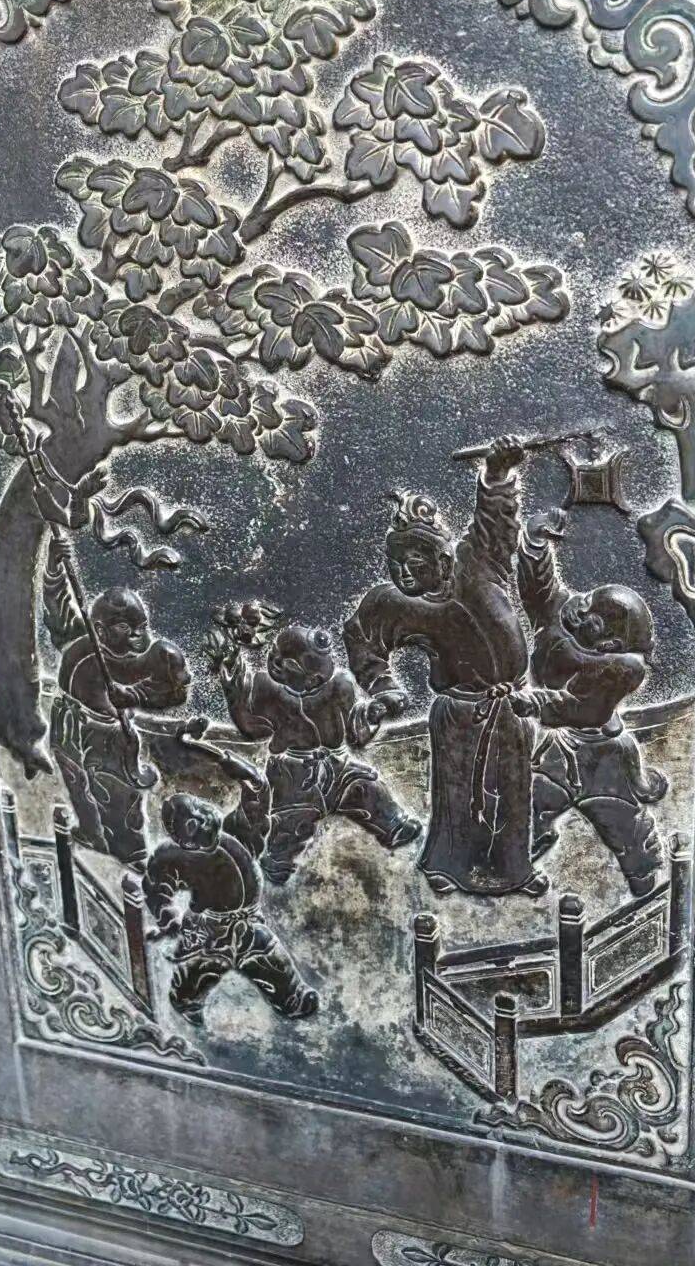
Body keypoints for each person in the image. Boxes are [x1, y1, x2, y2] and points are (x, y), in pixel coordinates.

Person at [344, 437, 543, 897]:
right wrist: (383, 686)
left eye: (414, 562)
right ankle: (448, 867)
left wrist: (497, 473)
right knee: (456, 796)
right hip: (458, 712)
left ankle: (514, 870)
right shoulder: (393, 603)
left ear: (442, 557)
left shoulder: (480, 562)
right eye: (395, 564)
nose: (403, 573)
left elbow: (495, 519)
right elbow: (362, 638)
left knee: (513, 788)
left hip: (511, 705)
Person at [517, 507, 667, 898]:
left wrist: (536, 703)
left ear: (608, 644)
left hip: (602, 752)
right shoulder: (562, 618)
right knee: (533, 800)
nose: (581, 611)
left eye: (593, 618)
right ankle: (518, 860)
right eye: (587, 601)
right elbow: (540, 590)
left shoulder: (618, 670)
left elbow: (583, 708)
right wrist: (536, 546)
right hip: (556, 746)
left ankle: (644, 874)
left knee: (619, 818)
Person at [213, 619, 421, 884]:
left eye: (318, 680)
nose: (314, 683)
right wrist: (234, 683)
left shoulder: (341, 685)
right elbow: (251, 725)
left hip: (339, 764)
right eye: (309, 678)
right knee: (292, 820)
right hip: (293, 773)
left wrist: (372, 712)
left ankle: (394, 825)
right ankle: (277, 862)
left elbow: (354, 726)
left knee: (367, 786)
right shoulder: (266, 688)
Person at [142, 732, 319, 1025]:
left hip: (249, 925)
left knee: (273, 962)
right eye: (191, 824)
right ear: (182, 839)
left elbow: (257, 786)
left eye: (200, 810)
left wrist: (210, 751)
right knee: (198, 974)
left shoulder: (238, 832)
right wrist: (166, 916)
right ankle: (184, 1002)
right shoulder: (173, 857)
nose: (202, 820)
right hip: (209, 930)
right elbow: (156, 886)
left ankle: (293, 1001)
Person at [43, 537, 189, 867]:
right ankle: (92, 833)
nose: (137, 634)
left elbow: (173, 692)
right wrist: (53, 568)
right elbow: (58, 608)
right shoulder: (82, 641)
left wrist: (133, 695)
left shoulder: (149, 659)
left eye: (141, 626)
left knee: (117, 795)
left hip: (108, 735)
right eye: (125, 626)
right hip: (68, 722)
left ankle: (132, 855)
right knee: (76, 783)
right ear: (100, 629)